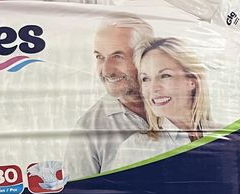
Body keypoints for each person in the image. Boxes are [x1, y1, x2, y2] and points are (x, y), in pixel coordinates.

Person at [64, 13, 154, 180]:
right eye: (100, 57)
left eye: (118, 56)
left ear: (146, 56)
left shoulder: (179, 105)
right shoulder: (88, 131)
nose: (106, 71)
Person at [110, 37, 213, 168]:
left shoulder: (225, 134)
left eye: (165, 76)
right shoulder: (134, 150)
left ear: (192, 80)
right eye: (145, 79)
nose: (153, 88)